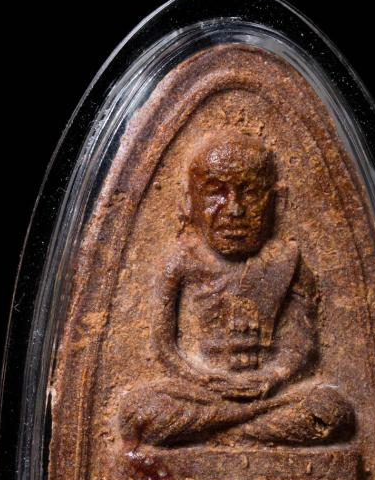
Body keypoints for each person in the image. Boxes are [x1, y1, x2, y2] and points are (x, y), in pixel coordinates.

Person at [118, 131, 354, 448]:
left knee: (331, 411)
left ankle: (219, 430)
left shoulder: (288, 261)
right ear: (188, 202)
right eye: (215, 193)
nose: (234, 210)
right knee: (138, 411)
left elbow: (303, 347)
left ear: (277, 201)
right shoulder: (181, 261)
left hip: (270, 394)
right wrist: (205, 379)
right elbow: (165, 348)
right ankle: (245, 425)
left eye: (250, 193)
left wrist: (271, 378)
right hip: (201, 391)